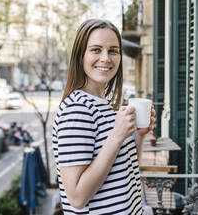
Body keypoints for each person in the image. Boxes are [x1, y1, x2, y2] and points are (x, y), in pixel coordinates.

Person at [52, 18, 155, 214]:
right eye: (96, 50)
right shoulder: (77, 109)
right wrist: (116, 137)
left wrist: (139, 135)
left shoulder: (105, 103)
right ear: (80, 56)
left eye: (113, 51)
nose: (106, 58)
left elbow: (124, 172)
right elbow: (77, 197)